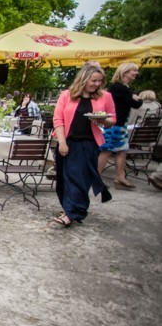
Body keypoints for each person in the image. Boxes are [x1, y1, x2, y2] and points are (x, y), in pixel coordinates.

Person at [53, 61, 115, 227]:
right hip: (67, 141)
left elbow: (112, 120)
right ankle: (69, 208)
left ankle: (72, 213)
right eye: (93, 80)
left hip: (88, 144)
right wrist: (62, 143)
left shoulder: (105, 97)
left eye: (99, 81)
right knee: (63, 179)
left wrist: (101, 119)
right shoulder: (67, 95)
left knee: (79, 179)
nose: (97, 84)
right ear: (84, 79)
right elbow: (58, 119)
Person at [98, 62, 143, 190]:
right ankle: (95, 177)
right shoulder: (120, 88)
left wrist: (135, 98)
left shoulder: (124, 87)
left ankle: (120, 177)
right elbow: (135, 104)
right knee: (106, 150)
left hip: (120, 124)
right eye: (133, 71)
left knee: (122, 150)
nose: (136, 73)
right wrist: (138, 99)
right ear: (124, 72)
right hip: (114, 124)